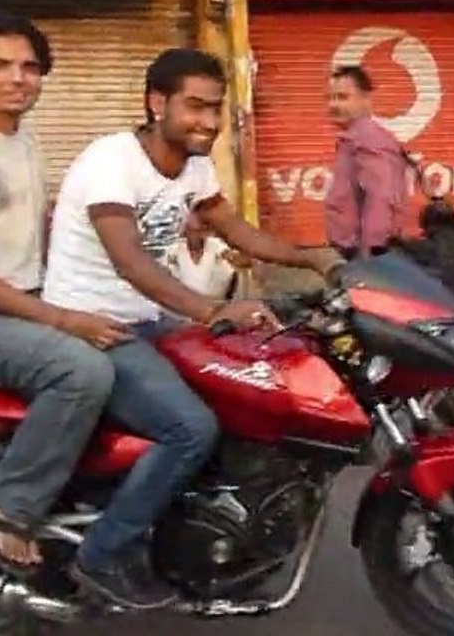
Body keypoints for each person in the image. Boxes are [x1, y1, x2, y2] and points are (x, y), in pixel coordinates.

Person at [43, 48, 342, 609]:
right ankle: (103, 555)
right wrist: (210, 311)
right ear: (158, 104)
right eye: (195, 107)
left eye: (216, 108)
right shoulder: (111, 161)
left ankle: (203, 516)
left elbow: (239, 232)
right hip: (95, 325)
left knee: (248, 384)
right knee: (190, 429)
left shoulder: (196, 166)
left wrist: (320, 259)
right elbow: (130, 260)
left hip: (149, 318)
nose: (208, 121)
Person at [0, 13, 126, 568]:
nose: (18, 78)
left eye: (30, 67)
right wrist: (61, 319)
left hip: (21, 302)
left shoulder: (24, 143)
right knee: (82, 372)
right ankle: (6, 503)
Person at [325, 65, 408, 261]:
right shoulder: (353, 137)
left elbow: (380, 197)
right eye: (330, 97)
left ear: (365, 99)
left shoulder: (368, 138)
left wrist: (369, 254)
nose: (333, 105)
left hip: (363, 253)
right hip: (353, 249)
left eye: (343, 97)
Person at [166, 211, 249, 301]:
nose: (197, 235)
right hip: (184, 305)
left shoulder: (215, 245)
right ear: (186, 232)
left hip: (215, 303)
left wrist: (236, 256)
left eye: (200, 231)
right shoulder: (175, 251)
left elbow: (235, 258)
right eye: (193, 231)